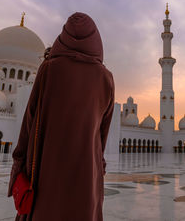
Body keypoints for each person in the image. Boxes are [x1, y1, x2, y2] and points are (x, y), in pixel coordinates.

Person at [7, 12, 115, 221]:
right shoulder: (106, 78)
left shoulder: (48, 69)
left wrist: (18, 167)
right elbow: (103, 133)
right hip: (86, 173)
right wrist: (98, 166)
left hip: (47, 170)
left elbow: (29, 122)